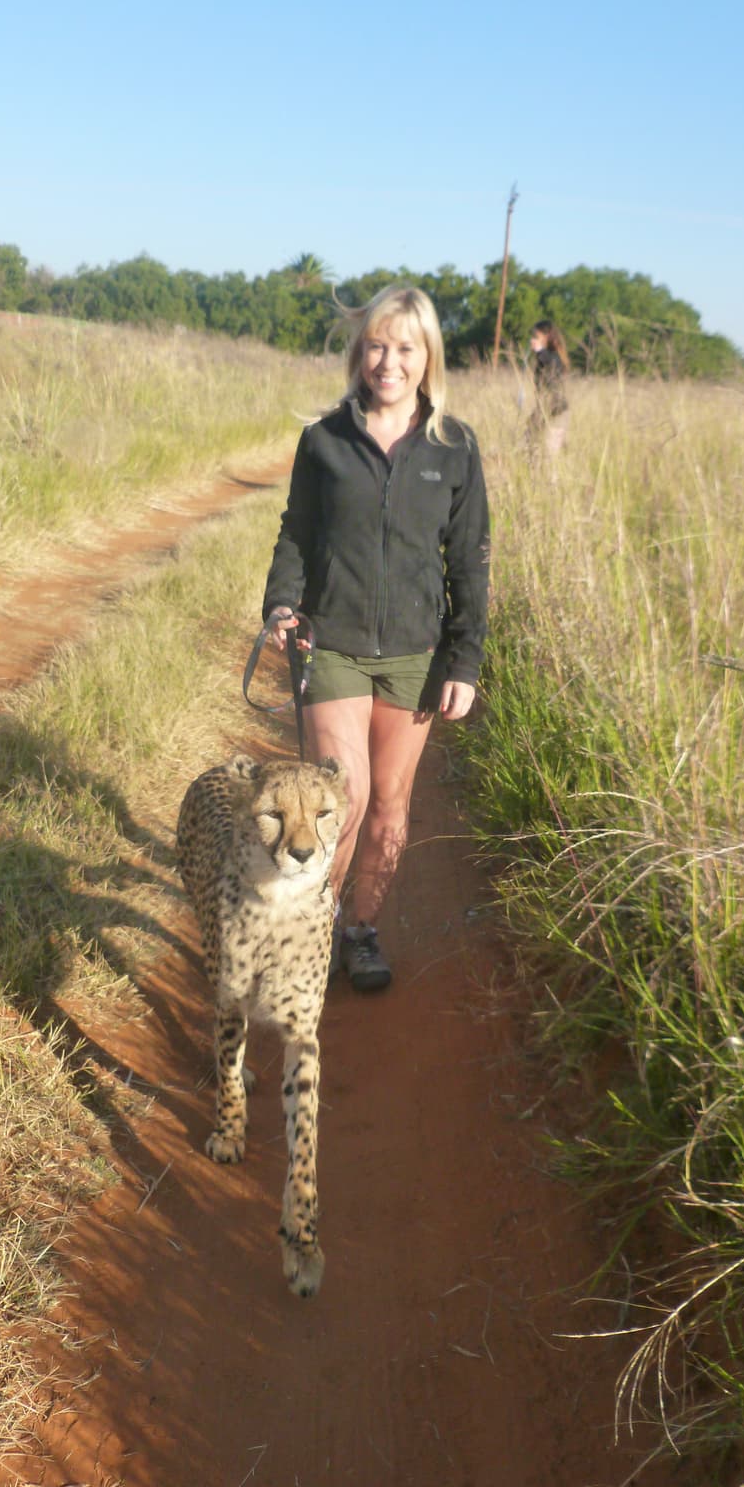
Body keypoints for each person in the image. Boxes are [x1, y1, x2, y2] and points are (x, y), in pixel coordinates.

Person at [261, 284, 490, 991]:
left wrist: (465, 658)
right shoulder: (324, 440)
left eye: (406, 348)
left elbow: (469, 558)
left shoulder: (453, 447)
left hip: (416, 659)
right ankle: (313, 925)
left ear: (429, 358)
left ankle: (361, 929)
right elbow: (297, 532)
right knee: (347, 797)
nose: (389, 362)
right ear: (360, 353)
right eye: (377, 346)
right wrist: (279, 604)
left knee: (391, 802)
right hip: (330, 644)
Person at [527, 319, 570, 460]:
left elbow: (552, 366)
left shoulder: (553, 356)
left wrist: (540, 351)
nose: (533, 340)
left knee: (550, 457)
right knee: (529, 444)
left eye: (536, 337)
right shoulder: (543, 357)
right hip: (545, 409)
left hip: (556, 411)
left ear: (547, 337)